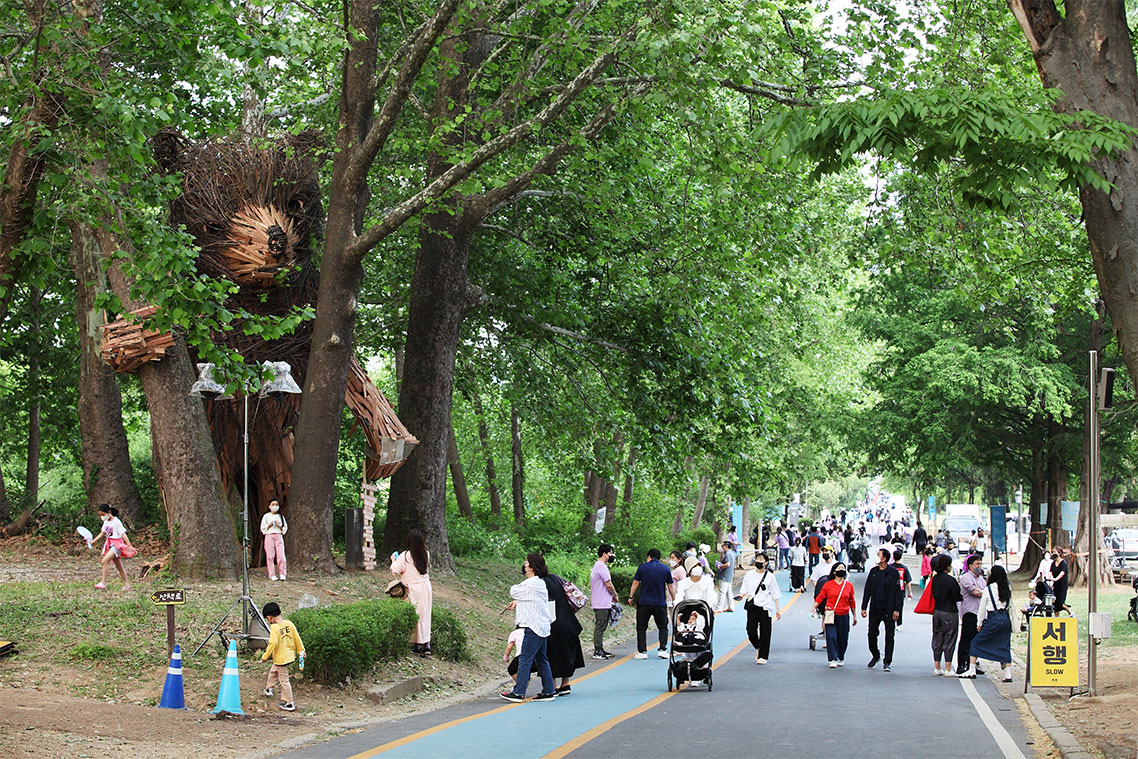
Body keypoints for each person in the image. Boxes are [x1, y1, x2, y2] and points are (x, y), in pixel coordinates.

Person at [500, 553, 557, 703]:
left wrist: (517, 597)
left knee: (525, 659)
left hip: (532, 627)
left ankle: (519, 692)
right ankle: (549, 690)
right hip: (542, 627)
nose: (524, 566)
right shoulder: (540, 583)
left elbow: (514, 591)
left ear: (531, 567)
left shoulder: (530, 584)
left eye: (526, 564)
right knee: (542, 660)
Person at [963, 565, 1013, 682]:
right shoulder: (1007, 588)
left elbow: (982, 607)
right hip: (1005, 619)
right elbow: (1010, 606)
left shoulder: (988, 589)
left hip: (993, 618)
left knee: (976, 642)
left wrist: (979, 623)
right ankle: (1008, 674)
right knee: (1005, 645)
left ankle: (971, 669)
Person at [391, 528, 433, 656]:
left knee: (414, 616)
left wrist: (393, 559)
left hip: (412, 588)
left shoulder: (405, 556)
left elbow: (395, 571)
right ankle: (426, 645)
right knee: (425, 615)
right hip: (425, 587)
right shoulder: (426, 553)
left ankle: (415, 644)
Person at [544, 568, 585, 695]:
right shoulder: (556, 578)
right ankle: (565, 684)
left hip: (553, 622)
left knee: (551, 654)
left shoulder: (540, 583)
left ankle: (553, 685)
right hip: (568, 620)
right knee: (566, 652)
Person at [628, 548, 676, 659]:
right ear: (659, 558)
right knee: (663, 627)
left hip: (644, 602)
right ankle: (662, 649)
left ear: (649, 557)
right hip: (659, 602)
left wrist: (631, 597)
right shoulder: (665, 569)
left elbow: (635, 583)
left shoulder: (642, 567)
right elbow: (670, 586)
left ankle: (642, 652)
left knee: (641, 627)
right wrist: (674, 600)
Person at [862, 548, 903, 671]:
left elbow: (898, 592)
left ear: (884, 558)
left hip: (889, 609)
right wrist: (864, 607)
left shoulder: (893, 572)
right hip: (875, 608)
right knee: (872, 634)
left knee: (889, 635)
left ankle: (887, 661)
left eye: (878, 554)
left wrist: (897, 609)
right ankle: (876, 655)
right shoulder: (873, 571)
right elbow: (867, 590)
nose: (877, 556)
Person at [260, 601, 305, 712]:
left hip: (281, 658)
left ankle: (289, 702)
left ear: (269, 617)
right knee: (273, 671)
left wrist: (265, 656)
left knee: (284, 680)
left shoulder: (275, 628)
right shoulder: (289, 624)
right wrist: (301, 650)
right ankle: (268, 688)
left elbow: (273, 644)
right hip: (289, 656)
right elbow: (297, 638)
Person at [739, 555, 781, 664]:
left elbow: (775, 593)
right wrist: (740, 596)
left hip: (765, 606)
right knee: (750, 630)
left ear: (766, 563)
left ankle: (763, 656)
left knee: (765, 632)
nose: (759, 561)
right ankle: (758, 646)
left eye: (762, 560)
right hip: (752, 606)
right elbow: (744, 589)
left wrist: (778, 609)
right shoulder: (749, 575)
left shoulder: (770, 576)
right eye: (758, 559)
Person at [815, 562, 857, 667]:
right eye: (839, 568)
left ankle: (841, 656)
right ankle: (833, 658)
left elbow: (852, 601)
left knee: (843, 637)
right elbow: (820, 597)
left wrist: (854, 615)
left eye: (843, 568)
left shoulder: (849, 586)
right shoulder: (828, 584)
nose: (841, 569)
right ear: (834, 572)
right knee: (831, 636)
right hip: (831, 613)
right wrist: (813, 608)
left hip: (844, 614)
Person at [930, 553, 963, 676]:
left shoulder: (935, 579)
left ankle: (937, 667)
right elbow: (956, 596)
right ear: (948, 566)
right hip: (949, 611)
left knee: (937, 638)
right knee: (950, 638)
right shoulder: (951, 580)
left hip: (937, 611)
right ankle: (948, 668)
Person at [956, 554, 986, 675]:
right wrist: (987, 594)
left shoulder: (981, 579)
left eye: (980, 563)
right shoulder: (966, 578)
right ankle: (961, 664)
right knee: (966, 639)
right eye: (977, 564)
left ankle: (972, 664)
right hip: (970, 611)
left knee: (976, 640)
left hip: (979, 612)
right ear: (970, 566)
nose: (980, 566)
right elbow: (976, 592)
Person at [93, 504, 134, 591]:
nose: (102, 517)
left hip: (117, 545)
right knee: (119, 566)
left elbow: (123, 534)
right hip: (110, 544)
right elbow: (102, 533)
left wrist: (129, 545)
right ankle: (126, 585)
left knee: (104, 561)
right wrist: (93, 541)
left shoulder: (116, 522)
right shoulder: (106, 522)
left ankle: (103, 583)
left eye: (103, 515)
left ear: (108, 512)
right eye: (100, 515)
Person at [590, 544, 618, 660]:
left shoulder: (599, 566)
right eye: (610, 553)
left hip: (603, 601)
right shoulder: (601, 566)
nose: (611, 555)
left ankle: (600, 648)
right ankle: (597, 650)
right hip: (601, 602)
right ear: (604, 554)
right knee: (600, 626)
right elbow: (608, 583)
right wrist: (614, 594)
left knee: (602, 626)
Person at [260, 499, 288, 581]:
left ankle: (282, 574)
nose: (275, 506)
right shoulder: (266, 516)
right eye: (273, 504)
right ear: (269, 506)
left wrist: (279, 526)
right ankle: (272, 574)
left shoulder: (281, 516)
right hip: (269, 536)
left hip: (278, 535)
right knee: (270, 556)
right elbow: (263, 528)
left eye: (276, 505)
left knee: (281, 556)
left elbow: (284, 528)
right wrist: (269, 525)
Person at [890, 549, 913, 626]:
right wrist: (910, 592)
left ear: (893, 557)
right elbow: (908, 581)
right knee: (899, 606)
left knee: (891, 605)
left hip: (891, 590)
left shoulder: (890, 567)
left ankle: (891, 620)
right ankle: (899, 623)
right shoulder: (904, 568)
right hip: (901, 589)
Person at [715, 540, 738, 611]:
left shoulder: (728, 554)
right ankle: (731, 606)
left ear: (726, 546)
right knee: (729, 592)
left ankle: (719, 607)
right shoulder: (733, 553)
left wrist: (720, 566)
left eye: (723, 546)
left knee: (722, 592)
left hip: (724, 575)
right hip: (729, 575)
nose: (722, 548)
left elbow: (728, 564)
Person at [1050, 547, 1070, 612]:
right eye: (1053, 552)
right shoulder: (1053, 563)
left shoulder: (1063, 563)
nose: (1053, 554)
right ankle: (1056, 618)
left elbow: (1062, 572)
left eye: (1054, 552)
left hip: (1062, 585)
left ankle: (1070, 612)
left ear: (1059, 553)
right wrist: (1049, 578)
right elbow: (1050, 572)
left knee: (1060, 603)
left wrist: (1056, 579)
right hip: (1056, 585)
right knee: (1055, 603)